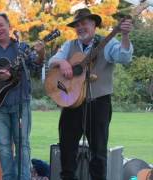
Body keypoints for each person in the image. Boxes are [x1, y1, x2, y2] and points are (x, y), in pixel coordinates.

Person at [48, 8, 133, 180]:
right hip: (72, 103)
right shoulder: (69, 45)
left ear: (94, 24)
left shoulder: (107, 43)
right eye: (77, 25)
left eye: (84, 23)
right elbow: (51, 62)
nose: (80, 27)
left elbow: (124, 57)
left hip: (99, 102)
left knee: (98, 152)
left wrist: (124, 35)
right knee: (67, 149)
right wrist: (62, 62)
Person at [0, 12, 45, 180]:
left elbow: (34, 69)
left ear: (8, 26)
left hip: (21, 103)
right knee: (3, 146)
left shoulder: (22, 48)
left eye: (1, 25)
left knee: (23, 145)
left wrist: (41, 55)